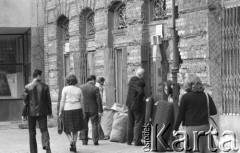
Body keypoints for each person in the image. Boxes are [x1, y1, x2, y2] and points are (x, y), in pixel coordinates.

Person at [173, 74, 217, 153]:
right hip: (205, 128)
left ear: (187, 85)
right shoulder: (206, 95)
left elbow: (180, 115)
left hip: (191, 129)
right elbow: (214, 111)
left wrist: (175, 128)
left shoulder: (185, 97)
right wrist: (203, 111)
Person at [22, 69, 52, 153]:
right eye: (40, 75)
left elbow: (25, 102)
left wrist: (23, 114)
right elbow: (48, 101)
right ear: (38, 75)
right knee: (44, 130)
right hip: (42, 112)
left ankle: (33, 151)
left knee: (32, 132)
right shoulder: (45, 86)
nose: (41, 77)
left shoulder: (27, 87)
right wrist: (50, 112)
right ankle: (47, 147)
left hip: (31, 113)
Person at [58, 74, 85, 152]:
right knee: (75, 130)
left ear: (67, 81)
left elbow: (62, 101)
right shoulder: (79, 90)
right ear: (75, 81)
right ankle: (74, 145)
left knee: (66, 128)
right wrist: (83, 112)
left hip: (68, 109)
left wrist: (60, 111)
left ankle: (71, 141)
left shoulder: (65, 89)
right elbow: (82, 102)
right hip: (78, 109)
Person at [79, 75, 103, 145]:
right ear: (93, 80)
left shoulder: (81, 87)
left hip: (84, 109)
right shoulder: (96, 88)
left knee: (84, 124)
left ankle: (84, 140)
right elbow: (99, 100)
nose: (95, 82)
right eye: (95, 81)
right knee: (94, 125)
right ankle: (95, 141)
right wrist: (100, 110)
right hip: (94, 109)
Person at [126, 68, 146, 146]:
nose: (144, 76)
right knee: (139, 122)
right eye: (143, 74)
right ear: (140, 75)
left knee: (130, 122)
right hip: (137, 105)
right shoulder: (139, 82)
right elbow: (140, 92)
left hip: (129, 104)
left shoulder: (132, 80)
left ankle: (129, 140)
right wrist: (140, 100)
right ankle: (137, 141)